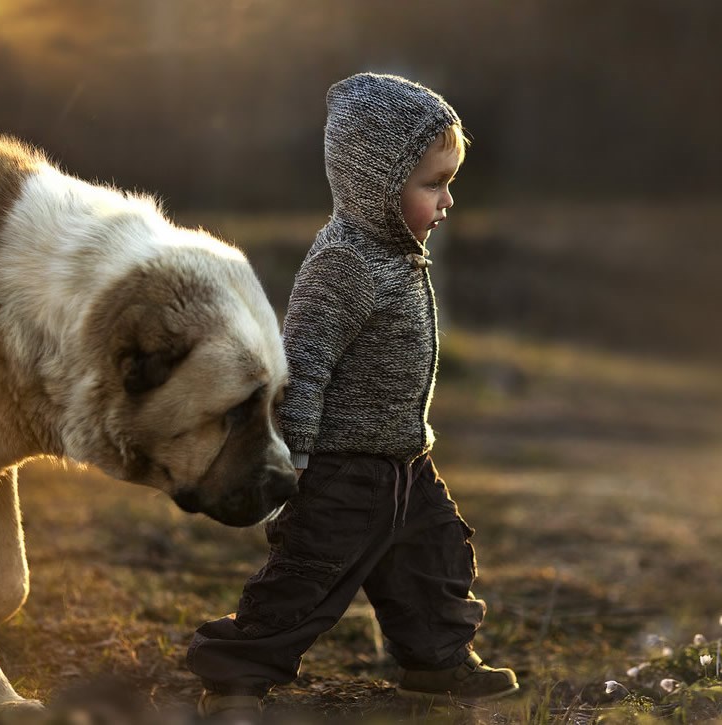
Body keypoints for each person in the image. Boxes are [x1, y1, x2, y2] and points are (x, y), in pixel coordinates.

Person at [186, 72, 519, 719]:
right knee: (309, 575)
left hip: (403, 460)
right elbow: (302, 363)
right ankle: (234, 673)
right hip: (341, 467)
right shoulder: (345, 263)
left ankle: (436, 662)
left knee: (435, 556)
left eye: (448, 181)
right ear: (377, 185)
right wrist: (296, 454)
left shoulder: (398, 251)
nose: (447, 200)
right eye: (432, 184)